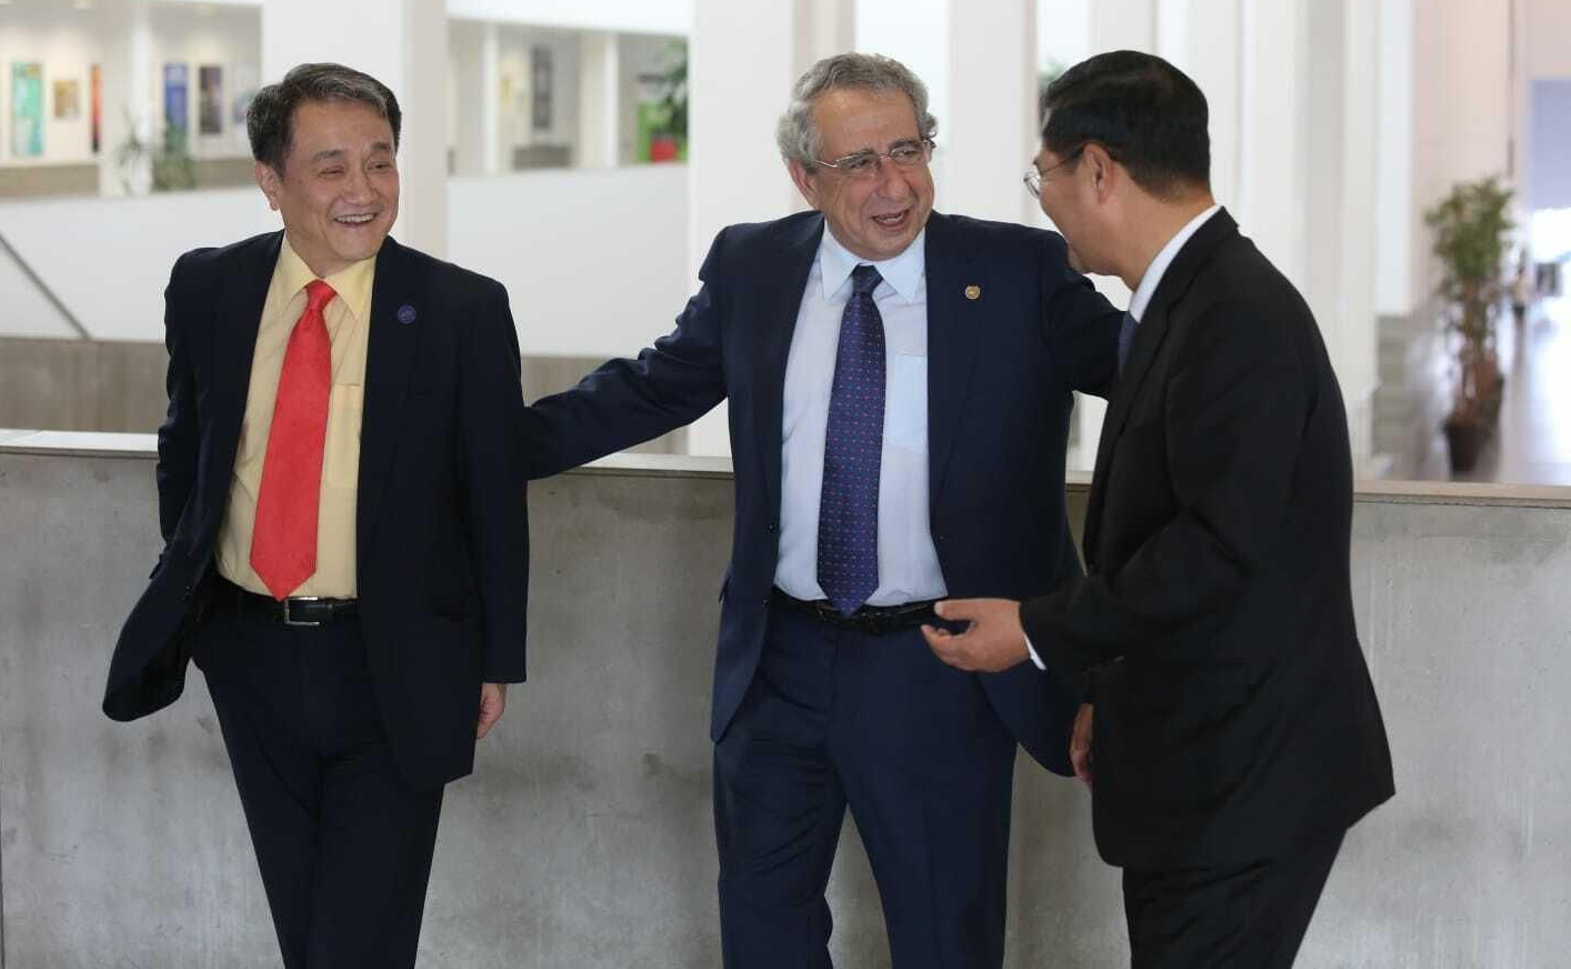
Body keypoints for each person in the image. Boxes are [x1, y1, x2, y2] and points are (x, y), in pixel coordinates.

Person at [518, 52, 1121, 969]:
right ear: (805, 178)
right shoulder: (754, 264)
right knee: (764, 934)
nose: (895, 185)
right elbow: (645, 392)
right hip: (779, 664)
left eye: (909, 150)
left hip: (941, 668)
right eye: (860, 163)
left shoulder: (1016, 270)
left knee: (944, 942)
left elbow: (1157, 378)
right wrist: (475, 452)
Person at [922, 50, 1395, 968]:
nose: (1042, 198)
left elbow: (1213, 550)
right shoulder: (1183, 298)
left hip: (1245, 779)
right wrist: (1109, 692)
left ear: (1097, 168)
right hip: (1198, 757)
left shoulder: (1236, 316)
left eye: (1044, 174)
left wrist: (1035, 631)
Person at [101, 62, 529, 967]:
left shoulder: (462, 310)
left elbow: (493, 494)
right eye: (332, 167)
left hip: (397, 663)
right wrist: (204, 606)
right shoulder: (210, 288)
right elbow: (188, 447)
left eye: (381, 163)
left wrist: (494, 659)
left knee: (360, 941)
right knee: (306, 930)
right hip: (251, 654)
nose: (363, 191)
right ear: (272, 181)